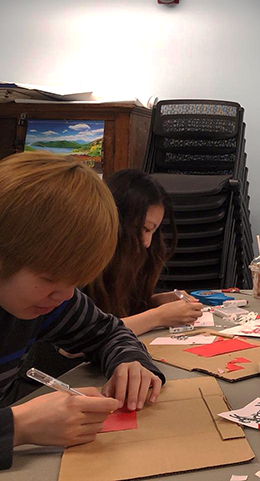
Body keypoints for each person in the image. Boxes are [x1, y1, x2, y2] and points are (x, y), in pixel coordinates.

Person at [0, 152, 164, 470]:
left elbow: (108, 331)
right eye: (49, 279)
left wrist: (129, 361)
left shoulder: (50, 300)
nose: (63, 296)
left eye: (76, 280)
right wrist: (18, 426)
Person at [86, 169, 202, 335]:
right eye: (145, 229)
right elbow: (79, 341)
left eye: (153, 232)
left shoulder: (126, 264)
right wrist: (158, 317)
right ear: (117, 218)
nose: (147, 243)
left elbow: (112, 314)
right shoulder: (83, 264)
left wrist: (154, 302)